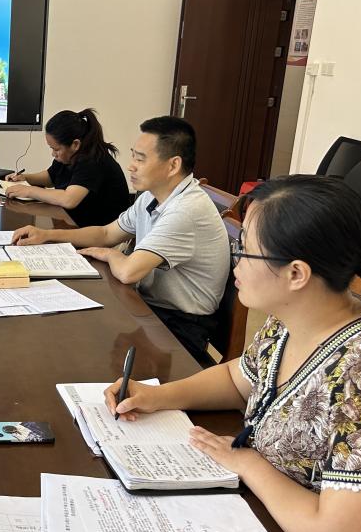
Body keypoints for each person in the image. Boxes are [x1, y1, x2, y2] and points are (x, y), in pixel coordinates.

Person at [104, 175, 361, 532]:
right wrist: (158, 395)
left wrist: (248, 464)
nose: (235, 263)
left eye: (244, 250)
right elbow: (238, 379)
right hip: (275, 527)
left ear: (296, 273)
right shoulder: (292, 319)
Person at [12, 116, 228, 362]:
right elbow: (106, 233)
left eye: (140, 159)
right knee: (71, 332)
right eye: (133, 156)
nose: (131, 166)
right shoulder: (151, 196)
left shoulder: (185, 210)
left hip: (180, 325)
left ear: (173, 165)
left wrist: (111, 253)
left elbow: (128, 272)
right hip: (151, 307)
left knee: (81, 349)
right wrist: (47, 235)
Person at [3, 108, 130, 227]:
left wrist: (29, 191)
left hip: (105, 228)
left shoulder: (93, 160)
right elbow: (50, 177)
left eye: (56, 149)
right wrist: (25, 178)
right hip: (77, 219)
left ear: (75, 144)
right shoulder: (68, 155)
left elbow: (69, 200)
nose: (53, 154)